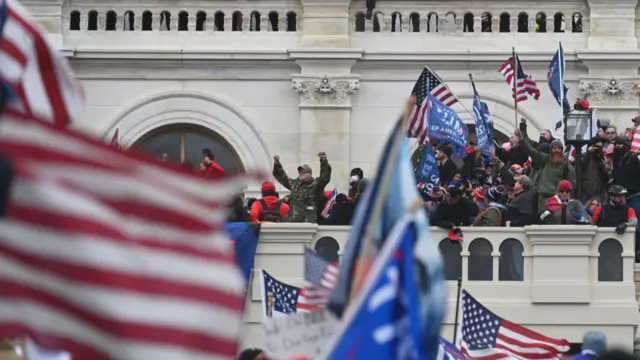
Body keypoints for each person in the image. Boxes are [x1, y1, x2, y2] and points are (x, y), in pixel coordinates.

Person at [272, 152, 331, 223]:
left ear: (310, 174)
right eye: (300, 171)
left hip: (308, 223)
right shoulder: (294, 184)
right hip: (292, 222)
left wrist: (324, 161)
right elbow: (281, 177)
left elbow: (324, 177)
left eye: (304, 171)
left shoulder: (315, 184)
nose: (301, 173)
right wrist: (277, 162)